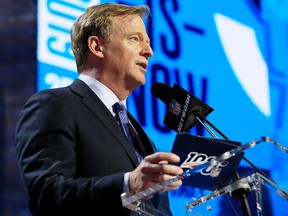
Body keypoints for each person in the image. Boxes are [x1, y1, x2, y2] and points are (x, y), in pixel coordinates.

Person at [15, 3, 183, 216]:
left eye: (147, 42)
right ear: (96, 46)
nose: (149, 51)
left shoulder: (137, 133)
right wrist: (127, 184)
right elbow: (46, 194)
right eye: (134, 39)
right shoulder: (55, 104)